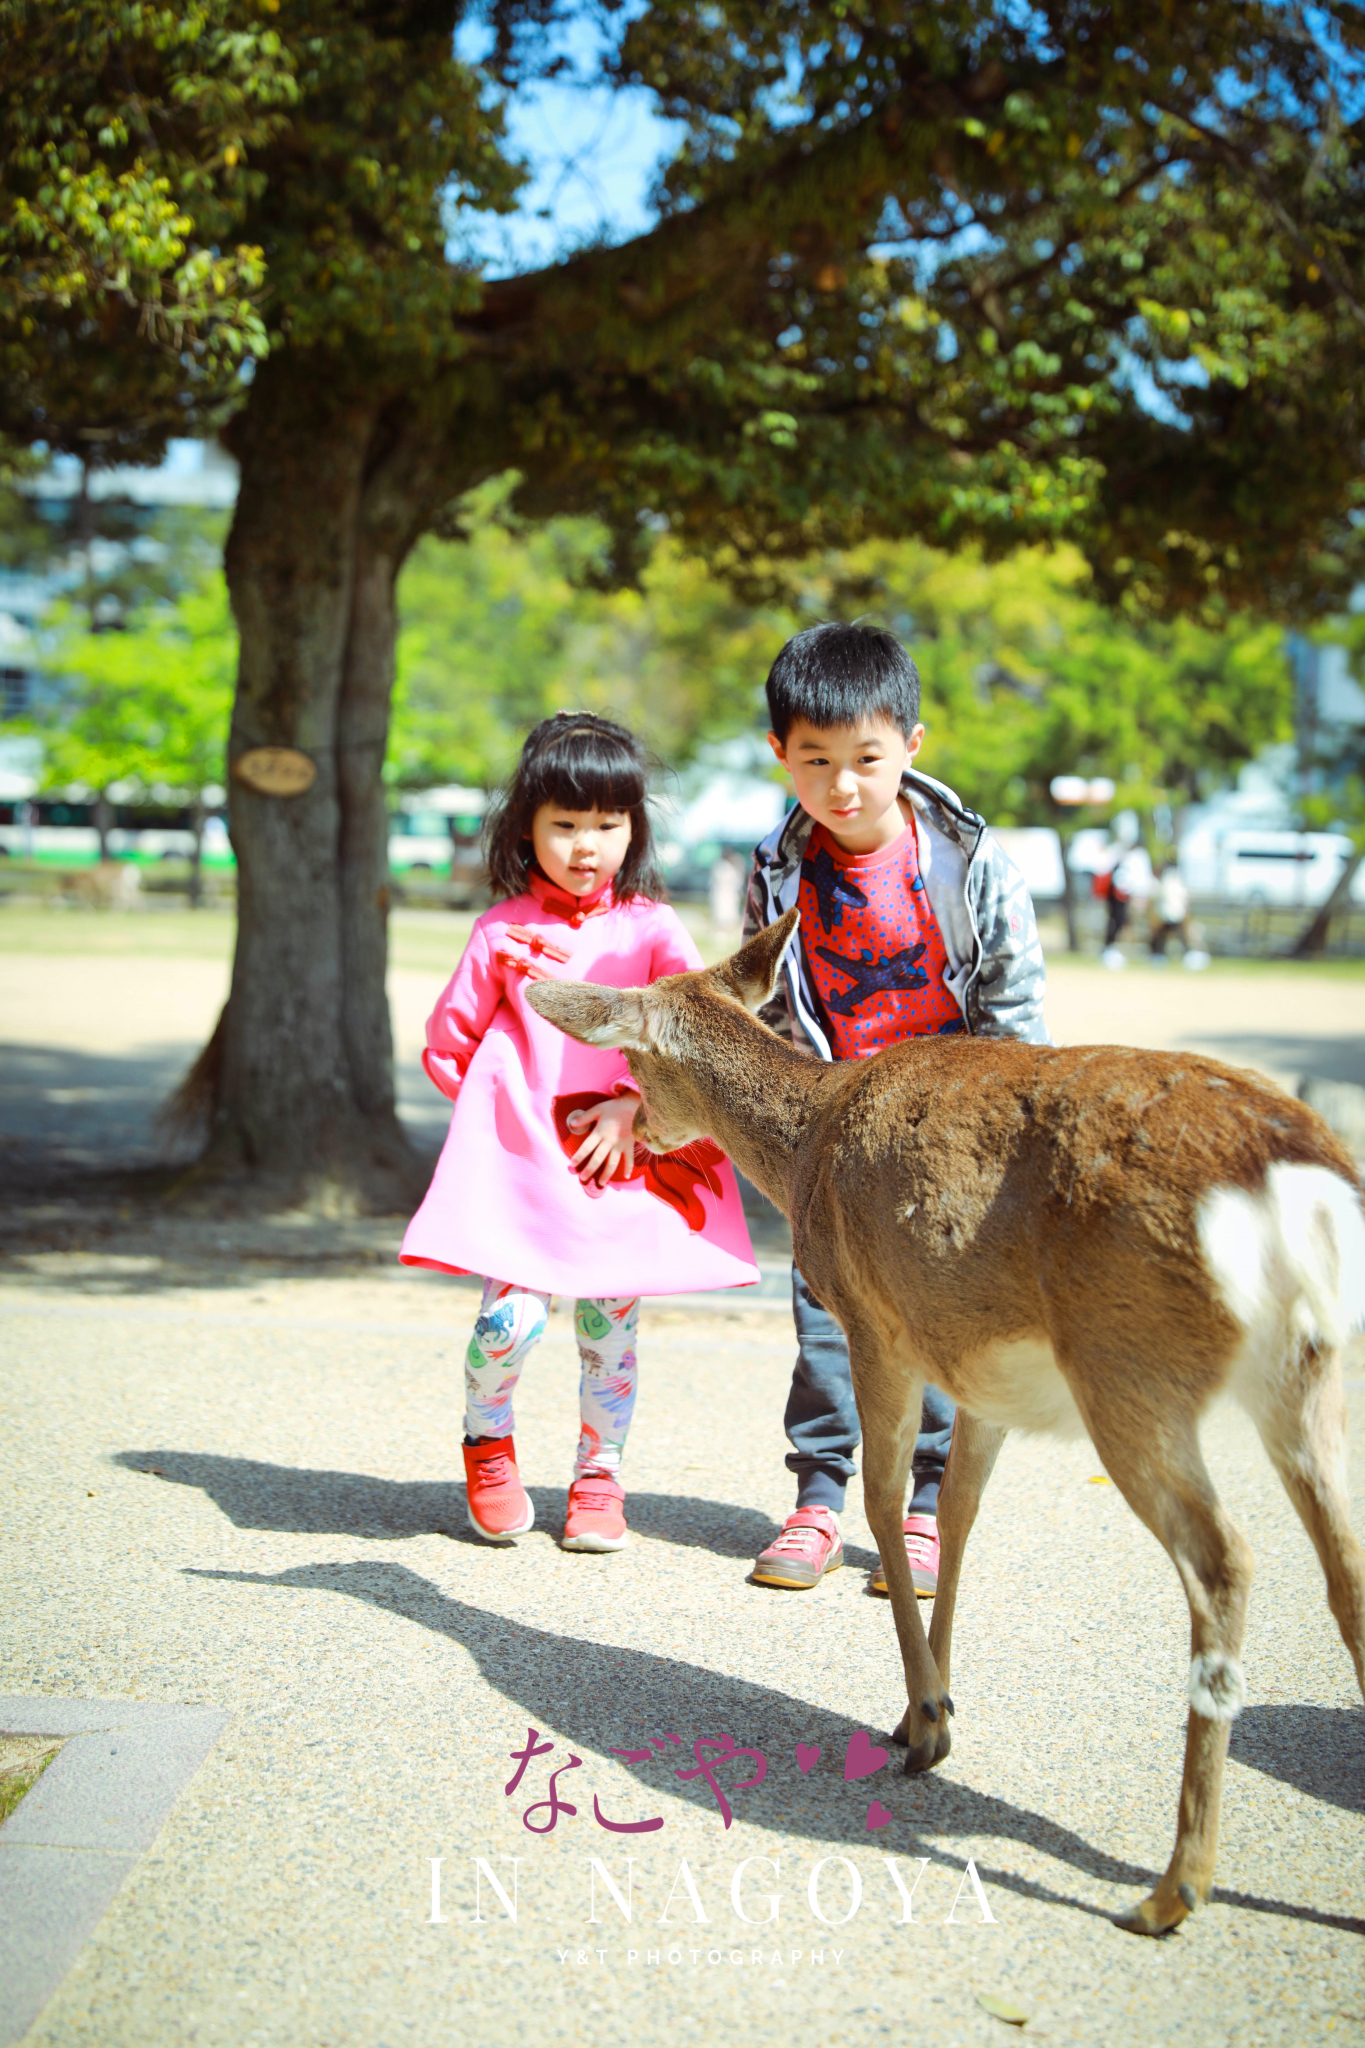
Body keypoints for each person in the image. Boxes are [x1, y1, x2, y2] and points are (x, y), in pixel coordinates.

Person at [401, 712, 758, 1553]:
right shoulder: (500, 931)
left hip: (618, 1168)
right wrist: (499, 1130)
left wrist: (637, 1107)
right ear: (525, 825)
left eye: (607, 823)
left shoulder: (652, 929)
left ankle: (599, 1478)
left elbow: (696, 1041)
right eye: (563, 824)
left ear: (633, 829)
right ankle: (487, 1447)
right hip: (525, 1176)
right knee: (507, 1327)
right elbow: (447, 1045)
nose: (585, 844)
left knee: (609, 1334)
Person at [742, 623, 1050, 1598]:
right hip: (836, 1128)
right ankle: (822, 1496)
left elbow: (1016, 1010)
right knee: (828, 1309)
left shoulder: (973, 863)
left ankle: (926, 1509)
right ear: (781, 755)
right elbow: (775, 1008)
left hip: (950, 1130)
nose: (843, 786)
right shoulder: (776, 867)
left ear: (911, 746)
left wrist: (1001, 1144)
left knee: (943, 1316)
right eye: (815, 761)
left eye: (866, 759)